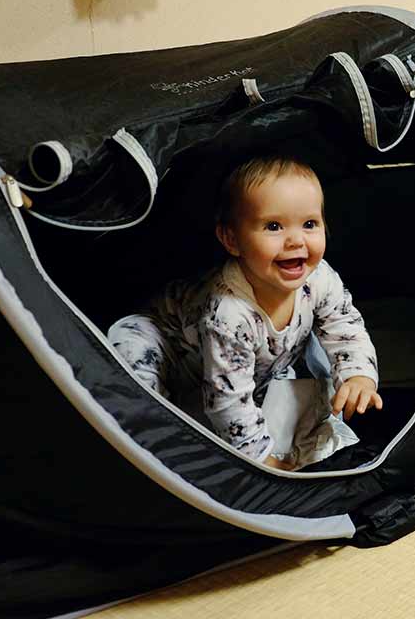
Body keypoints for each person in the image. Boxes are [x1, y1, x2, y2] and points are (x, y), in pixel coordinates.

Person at [108, 155, 382, 471]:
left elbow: (344, 324)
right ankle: (159, 429)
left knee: (304, 401)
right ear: (232, 240)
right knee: (129, 351)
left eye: (309, 224)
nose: (296, 240)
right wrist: (264, 462)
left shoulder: (320, 279)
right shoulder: (228, 313)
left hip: (250, 369)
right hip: (173, 353)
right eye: (273, 226)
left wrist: (359, 374)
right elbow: (226, 403)